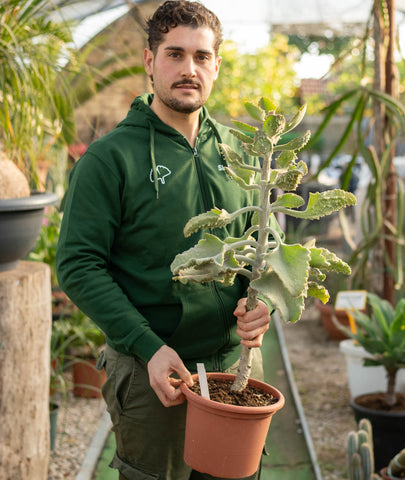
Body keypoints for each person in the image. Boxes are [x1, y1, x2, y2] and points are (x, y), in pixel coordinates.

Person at [56, 2, 273, 479]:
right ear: (149, 61)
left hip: (229, 367)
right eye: (174, 54)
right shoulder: (110, 159)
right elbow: (78, 265)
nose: (188, 69)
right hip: (150, 369)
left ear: (217, 64)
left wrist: (264, 305)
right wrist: (146, 346)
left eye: (201, 56)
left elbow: (266, 243)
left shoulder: (241, 155)